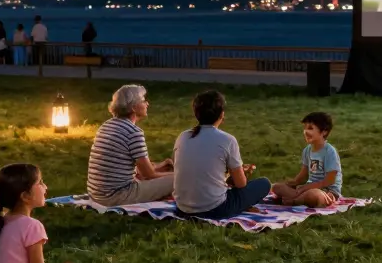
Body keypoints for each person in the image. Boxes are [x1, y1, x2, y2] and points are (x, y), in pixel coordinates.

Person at [172, 90, 271, 219]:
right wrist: (238, 173)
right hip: (215, 210)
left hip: (182, 208)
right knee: (264, 183)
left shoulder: (183, 136)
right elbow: (241, 184)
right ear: (221, 114)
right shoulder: (227, 140)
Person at [87, 84, 175, 206]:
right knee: (179, 180)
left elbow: (136, 167)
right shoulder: (133, 132)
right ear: (133, 107)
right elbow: (149, 175)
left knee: (158, 170)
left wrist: (161, 165)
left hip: (96, 194)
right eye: (143, 101)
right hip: (116, 196)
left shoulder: (106, 125)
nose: (147, 104)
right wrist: (179, 174)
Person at [270, 111, 341, 208]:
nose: (306, 132)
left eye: (310, 128)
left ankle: (294, 201)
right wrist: (291, 183)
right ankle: (298, 199)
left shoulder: (330, 151)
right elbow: (302, 176)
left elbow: (330, 180)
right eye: (305, 128)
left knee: (314, 196)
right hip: (308, 189)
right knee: (276, 187)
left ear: (324, 131)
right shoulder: (307, 150)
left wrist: (307, 187)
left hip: (327, 192)